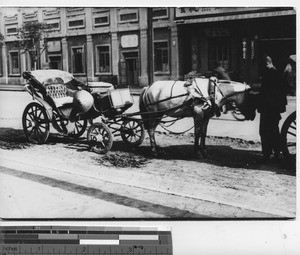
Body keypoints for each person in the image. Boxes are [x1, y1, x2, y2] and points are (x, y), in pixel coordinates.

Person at [258, 56, 287, 162]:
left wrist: (259, 104)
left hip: (268, 108)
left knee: (265, 131)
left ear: (267, 64)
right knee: (274, 130)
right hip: (274, 108)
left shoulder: (269, 74)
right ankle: (276, 153)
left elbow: (265, 93)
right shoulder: (276, 73)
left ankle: (267, 155)